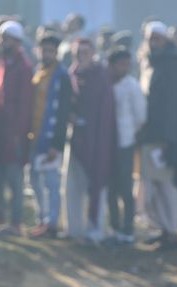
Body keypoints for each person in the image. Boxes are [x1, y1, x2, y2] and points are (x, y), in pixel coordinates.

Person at [139, 21, 177, 251]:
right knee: (154, 186)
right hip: (151, 135)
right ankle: (163, 229)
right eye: (150, 38)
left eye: (157, 38)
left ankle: (171, 231)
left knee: (168, 187)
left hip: (167, 138)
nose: (153, 42)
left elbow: (174, 107)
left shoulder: (173, 65)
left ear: (165, 40)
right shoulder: (150, 63)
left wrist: (168, 140)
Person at [64, 37, 115, 243]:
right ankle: (73, 229)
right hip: (75, 138)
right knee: (72, 186)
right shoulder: (71, 75)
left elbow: (106, 112)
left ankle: (95, 229)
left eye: (85, 52)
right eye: (78, 53)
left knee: (96, 185)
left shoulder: (100, 76)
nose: (81, 56)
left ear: (92, 53)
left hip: (97, 139)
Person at [0, 20, 33, 234]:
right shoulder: (4, 62)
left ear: (15, 41)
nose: (1, 42)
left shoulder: (24, 66)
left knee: (14, 179)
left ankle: (16, 223)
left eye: (4, 38)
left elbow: (25, 104)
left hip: (14, 132)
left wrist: (18, 133)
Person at [27, 33, 72, 238]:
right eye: (43, 50)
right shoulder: (40, 71)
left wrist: (57, 144)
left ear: (56, 52)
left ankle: (52, 223)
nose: (46, 54)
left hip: (51, 138)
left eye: (50, 51)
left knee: (51, 183)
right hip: (35, 136)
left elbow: (63, 113)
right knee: (35, 180)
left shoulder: (62, 76)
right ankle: (42, 219)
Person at [109, 48, 146, 245]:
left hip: (125, 142)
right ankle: (114, 226)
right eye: (120, 64)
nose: (123, 68)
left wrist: (131, 134)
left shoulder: (132, 86)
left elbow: (141, 116)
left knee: (125, 187)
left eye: (126, 64)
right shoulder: (107, 84)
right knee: (111, 188)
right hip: (108, 143)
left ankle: (128, 228)